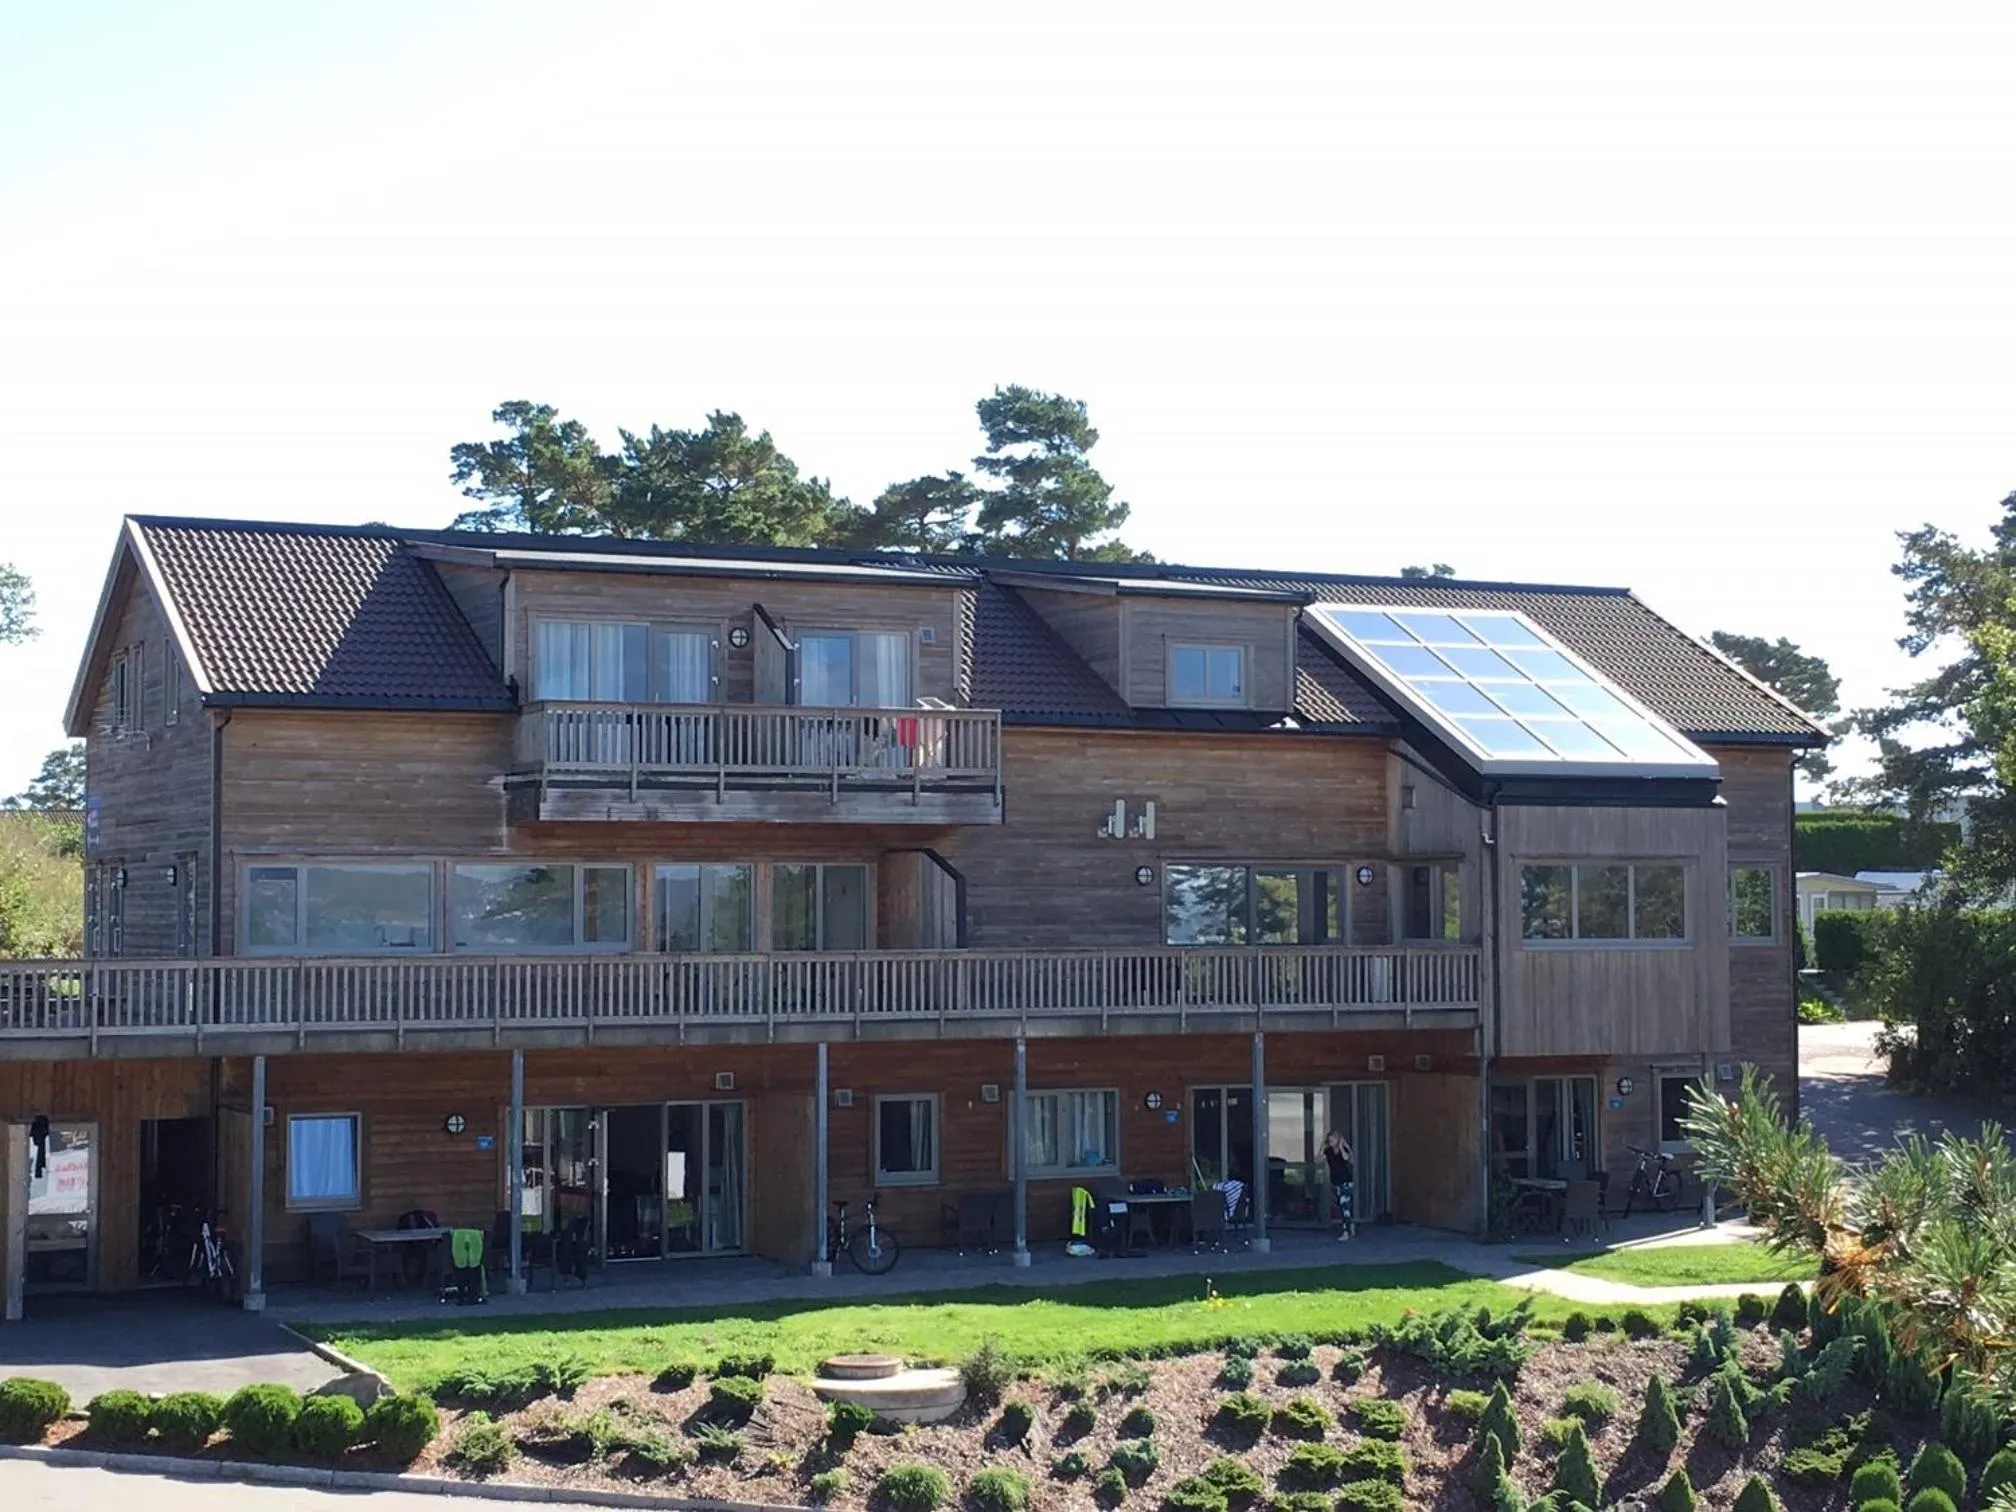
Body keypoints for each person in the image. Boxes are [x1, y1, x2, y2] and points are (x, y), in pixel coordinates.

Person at [1322, 1132, 1355, 1240]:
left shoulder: (1344, 1150)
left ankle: (1346, 1231)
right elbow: (1318, 1160)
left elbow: (1346, 1158)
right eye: (1329, 1140)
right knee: (1342, 1207)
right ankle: (1350, 1225)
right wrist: (1322, 1147)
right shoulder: (1328, 1151)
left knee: (1345, 1206)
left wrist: (1341, 1146)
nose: (1331, 1143)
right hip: (1336, 1182)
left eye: (1333, 1140)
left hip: (1346, 1182)